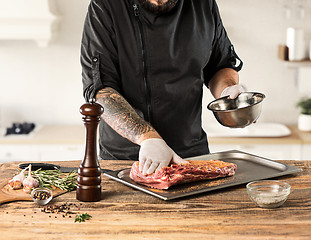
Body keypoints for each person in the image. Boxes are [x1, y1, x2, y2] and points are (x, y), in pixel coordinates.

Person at [80, 0, 243, 175]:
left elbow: (219, 66)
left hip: (191, 155)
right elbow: (101, 91)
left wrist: (227, 91)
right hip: (125, 158)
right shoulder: (106, 5)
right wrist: (148, 139)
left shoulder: (203, 4)